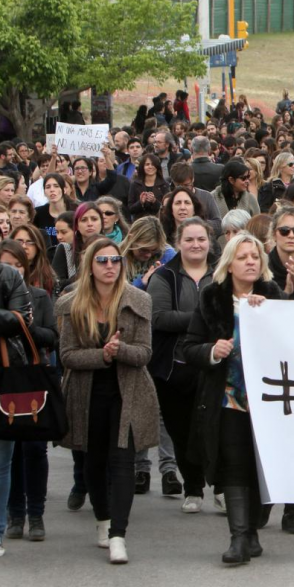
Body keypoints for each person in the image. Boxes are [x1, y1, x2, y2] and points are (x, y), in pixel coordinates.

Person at [180, 232, 283, 564]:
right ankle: (238, 538)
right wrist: (213, 350)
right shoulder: (212, 297)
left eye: (255, 256)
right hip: (228, 400)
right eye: (243, 257)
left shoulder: (273, 295)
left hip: (268, 402)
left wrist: (270, 316)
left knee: (260, 469)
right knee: (235, 467)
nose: (251, 261)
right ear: (229, 264)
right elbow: (189, 347)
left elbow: (293, 344)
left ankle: (252, 530)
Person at [56, 237, 160, 565]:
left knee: (122, 459)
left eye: (115, 260)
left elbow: (144, 353)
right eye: (102, 261)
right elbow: (68, 356)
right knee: (94, 460)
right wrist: (102, 355)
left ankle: (118, 534)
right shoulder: (72, 303)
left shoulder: (139, 300)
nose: (110, 267)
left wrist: (120, 351)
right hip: (86, 393)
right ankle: (102, 520)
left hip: (127, 391)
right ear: (90, 266)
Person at [146, 218, 214, 515]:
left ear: (210, 242)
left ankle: (222, 487)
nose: (196, 244)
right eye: (189, 239)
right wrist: (204, 318)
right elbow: (159, 318)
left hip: (216, 364)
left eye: (201, 239)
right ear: (178, 243)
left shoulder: (222, 274)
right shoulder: (164, 276)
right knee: (182, 431)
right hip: (176, 368)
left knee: (216, 430)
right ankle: (193, 487)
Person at [0, 240, 57, 543]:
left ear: (26, 266)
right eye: (6, 264)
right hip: (6, 380)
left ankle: (36, 513)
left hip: (31, 378)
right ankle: (14, 514)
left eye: (17, 264)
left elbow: (52, 337)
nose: (12, 270)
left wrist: (27, 327)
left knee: (34, 450)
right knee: (9, 450)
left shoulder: (38, 297)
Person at [127, 154, 169, 221]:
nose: (150, 167)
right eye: (147, 164)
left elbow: (167, 209)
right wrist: (140, 202)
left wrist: (154, 201)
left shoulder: (164, 185)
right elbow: (130, 209)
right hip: (140, 223)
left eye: (153, 164)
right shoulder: (135, 184)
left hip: (159, 222)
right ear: (142, 167)